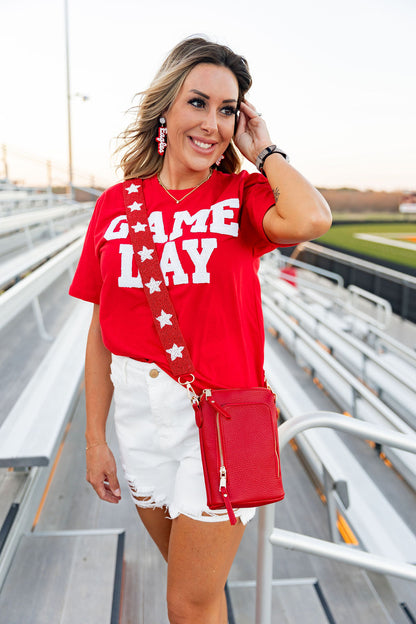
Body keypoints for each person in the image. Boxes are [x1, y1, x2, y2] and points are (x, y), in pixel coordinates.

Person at [69, 36, 332, 624]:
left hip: (219, 419)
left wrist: (263, 148)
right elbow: (99, 330)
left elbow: (312, 217)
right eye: (198, 102)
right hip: (140, 414)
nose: (212, 122)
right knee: (193, 591)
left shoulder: (242, 195)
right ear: (166, 107)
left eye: (228, 109)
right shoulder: (115, 205)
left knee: (186, 601)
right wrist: (94, 438)